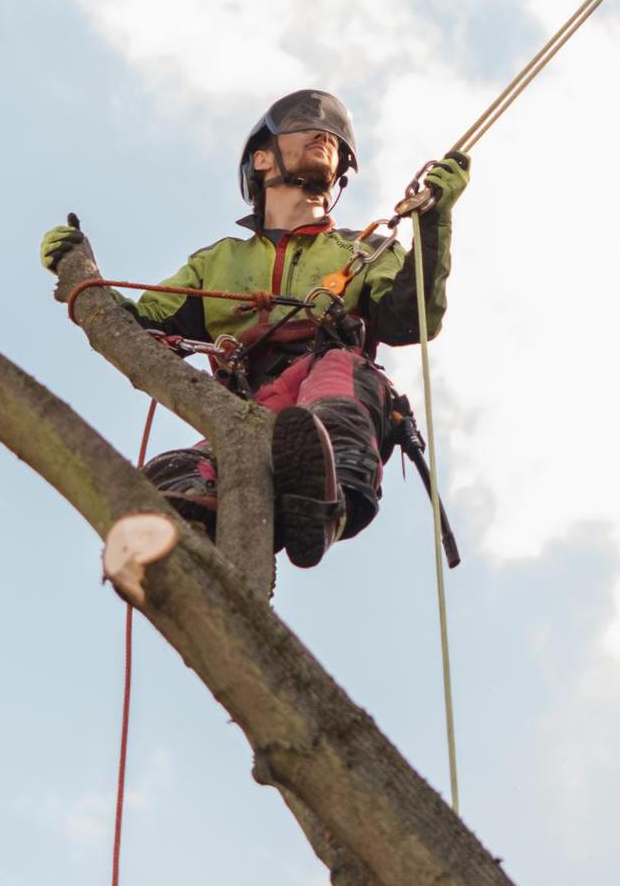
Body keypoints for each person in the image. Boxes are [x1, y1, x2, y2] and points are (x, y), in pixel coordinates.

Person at [41, 89, 469, 568]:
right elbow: (139, 325)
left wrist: (434, 225)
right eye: (307, 129)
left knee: (332, 390)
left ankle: (325, 503)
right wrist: (83, 280)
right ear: (261, 159)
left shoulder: (362, 250)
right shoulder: (217, 263)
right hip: (250, 402)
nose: (325, 137)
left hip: (332, 380)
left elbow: (412, 319)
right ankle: (180, 545)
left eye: (333, 139)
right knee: (179, 471)